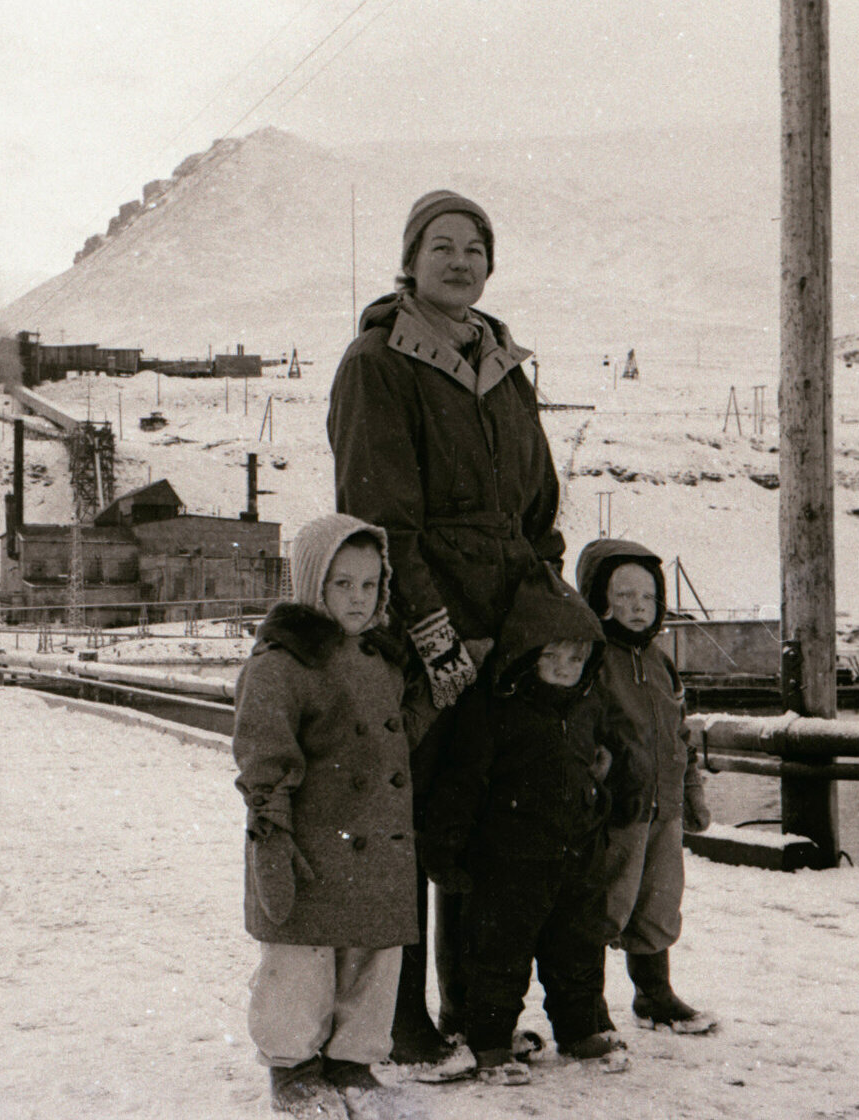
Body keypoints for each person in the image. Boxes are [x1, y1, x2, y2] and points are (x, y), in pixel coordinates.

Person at [327, 189, 565, 1070]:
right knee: (409, 826)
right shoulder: (375, 364)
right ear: (409, 259)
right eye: (440, 246)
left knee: (488, 822)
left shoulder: (505, 368)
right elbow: (380, 516)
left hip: (508, 632)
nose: (459, 261)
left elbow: (538, 512)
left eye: (474, 247)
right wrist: (434, 637)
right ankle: (400, 1021)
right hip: (428, 633)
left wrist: (539, 617)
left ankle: (478, 1013)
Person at [419, 569, 642, 1085]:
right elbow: (464, 781)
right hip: (508, 865)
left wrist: (607, 800)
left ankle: (581, 1026)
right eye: (552, 656)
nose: (566, 668)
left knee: (577, 950)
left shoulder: (586, 705)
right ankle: (491, 1042)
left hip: (575, 857)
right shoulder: (496, 709)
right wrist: (445, 849)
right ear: (525, 653)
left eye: (577, 658)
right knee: (498, 959)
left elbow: (603, 762)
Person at [232, 513, 420, 1117]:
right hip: (310, 841)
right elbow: (264, 759)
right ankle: (294, 1069)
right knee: (301, 963)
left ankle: (352, 1060)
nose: (358, 599)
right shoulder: (281, 664)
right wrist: (271, 837)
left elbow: (398, 738)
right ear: (314, 583)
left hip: (376, 836)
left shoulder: (384, 657)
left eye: (369, 585)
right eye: (343, 584)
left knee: (371, 955)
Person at [575, 538, 719, 1035]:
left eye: (647, 598)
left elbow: (681, 733)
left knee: (659, 899)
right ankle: (586, 1004)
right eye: (624, 596)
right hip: (617, 811)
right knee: (604, 904)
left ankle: (653, 993)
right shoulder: (592, 659)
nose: (637, 608)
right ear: (598, 598)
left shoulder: (660, 662)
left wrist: (691, 793)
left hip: (665, 808)